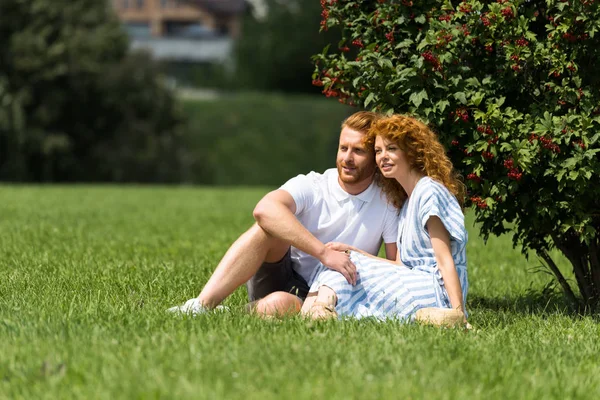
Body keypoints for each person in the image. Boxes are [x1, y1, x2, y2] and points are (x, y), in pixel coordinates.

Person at [168, 111, 399, 316]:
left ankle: (230, 314)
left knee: (279, 304)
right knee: (268, 227)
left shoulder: (387, 202)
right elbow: (264, 209)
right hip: (285, 273)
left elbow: (394, 266)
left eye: (358, 151)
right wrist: (323, 254)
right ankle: (201, 305)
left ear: (375, 157)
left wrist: (356, 257)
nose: (347, 158)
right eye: (343, 148)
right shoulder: (315, 184)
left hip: (336, 290)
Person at [300, 114, 469, 325]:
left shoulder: (429, 192)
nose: (383, 157)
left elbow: (445, 261)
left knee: (341, 264)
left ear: (411, 150)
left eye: (392, 149)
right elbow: (399, 264)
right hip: (414, 282)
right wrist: (353, 252)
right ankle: (317, 311)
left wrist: (458, 312)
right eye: (378, 151)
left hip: (434, 290)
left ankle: (318, 311)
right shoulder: (408, 201)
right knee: (341, 259)